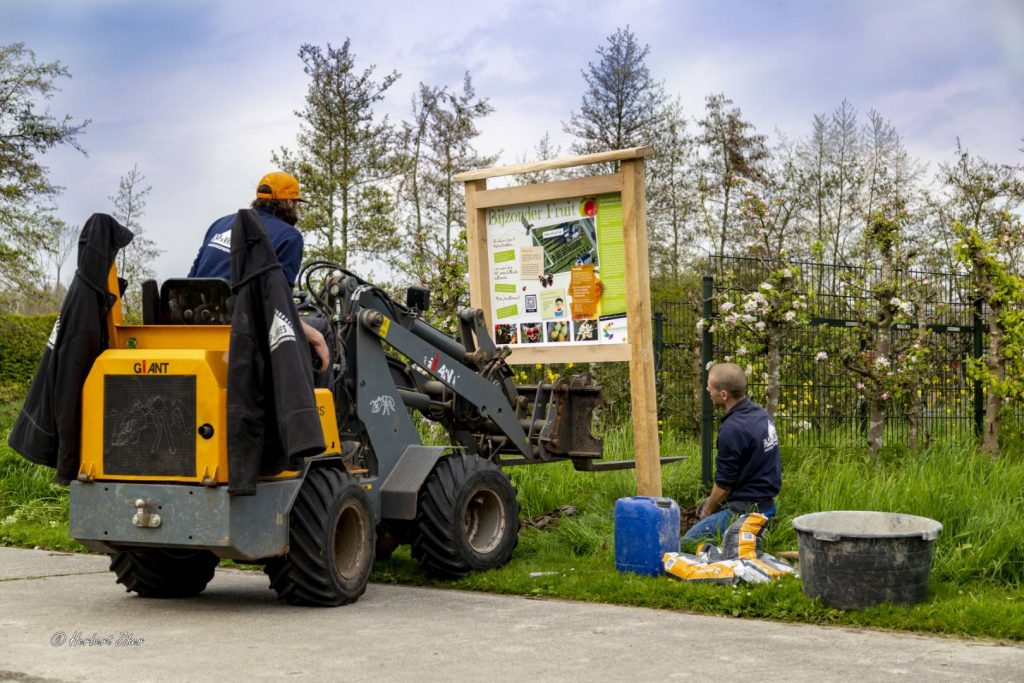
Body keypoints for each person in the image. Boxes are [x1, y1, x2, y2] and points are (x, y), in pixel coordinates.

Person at [188, 171, 328, 372]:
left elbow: (193, 277)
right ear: (288, 203)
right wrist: (315, 336)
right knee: (321, 328)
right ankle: (318, 402)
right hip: (245, 325)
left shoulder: (220, 223)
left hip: (195, 320)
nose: (297, 209)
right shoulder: (289, 237)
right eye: (296, 203)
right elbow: (280, 306)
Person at [681, 362, 781, 547]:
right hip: (766, 503)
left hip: (744, 510)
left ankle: (745, 530)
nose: (707, 391)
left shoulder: (732, 430)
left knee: (685, 543)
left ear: (723, 394)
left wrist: (708, 511)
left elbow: (724, 486)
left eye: (710, 388)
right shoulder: (760, 414)